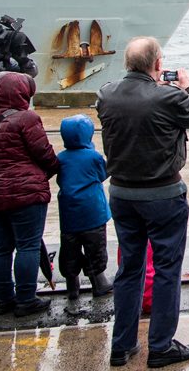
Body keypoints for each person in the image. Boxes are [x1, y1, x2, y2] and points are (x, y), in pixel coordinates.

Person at [98, 37, 189, 368]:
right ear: (158, 64)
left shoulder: (106, 94)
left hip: (122, 194)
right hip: (163, 194)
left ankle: (121, 345)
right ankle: (161, 346)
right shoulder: (168, 97)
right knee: (167, 269)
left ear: (127, 63)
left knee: (129, 268)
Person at [0, 71, 59, 317]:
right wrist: (54, 169)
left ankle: (4, 300)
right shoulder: (27, 118)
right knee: (28, 246)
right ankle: (26, 299)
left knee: (0, 247)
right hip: (26, 194)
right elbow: (44, 153)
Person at [55, 114, 112, 300]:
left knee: (69, 249)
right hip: (93, 212)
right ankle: (98, 282)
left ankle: (72, 285)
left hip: (69, 215)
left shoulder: (61, 158)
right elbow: (103, 174)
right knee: (95, 248)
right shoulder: (93, 156)